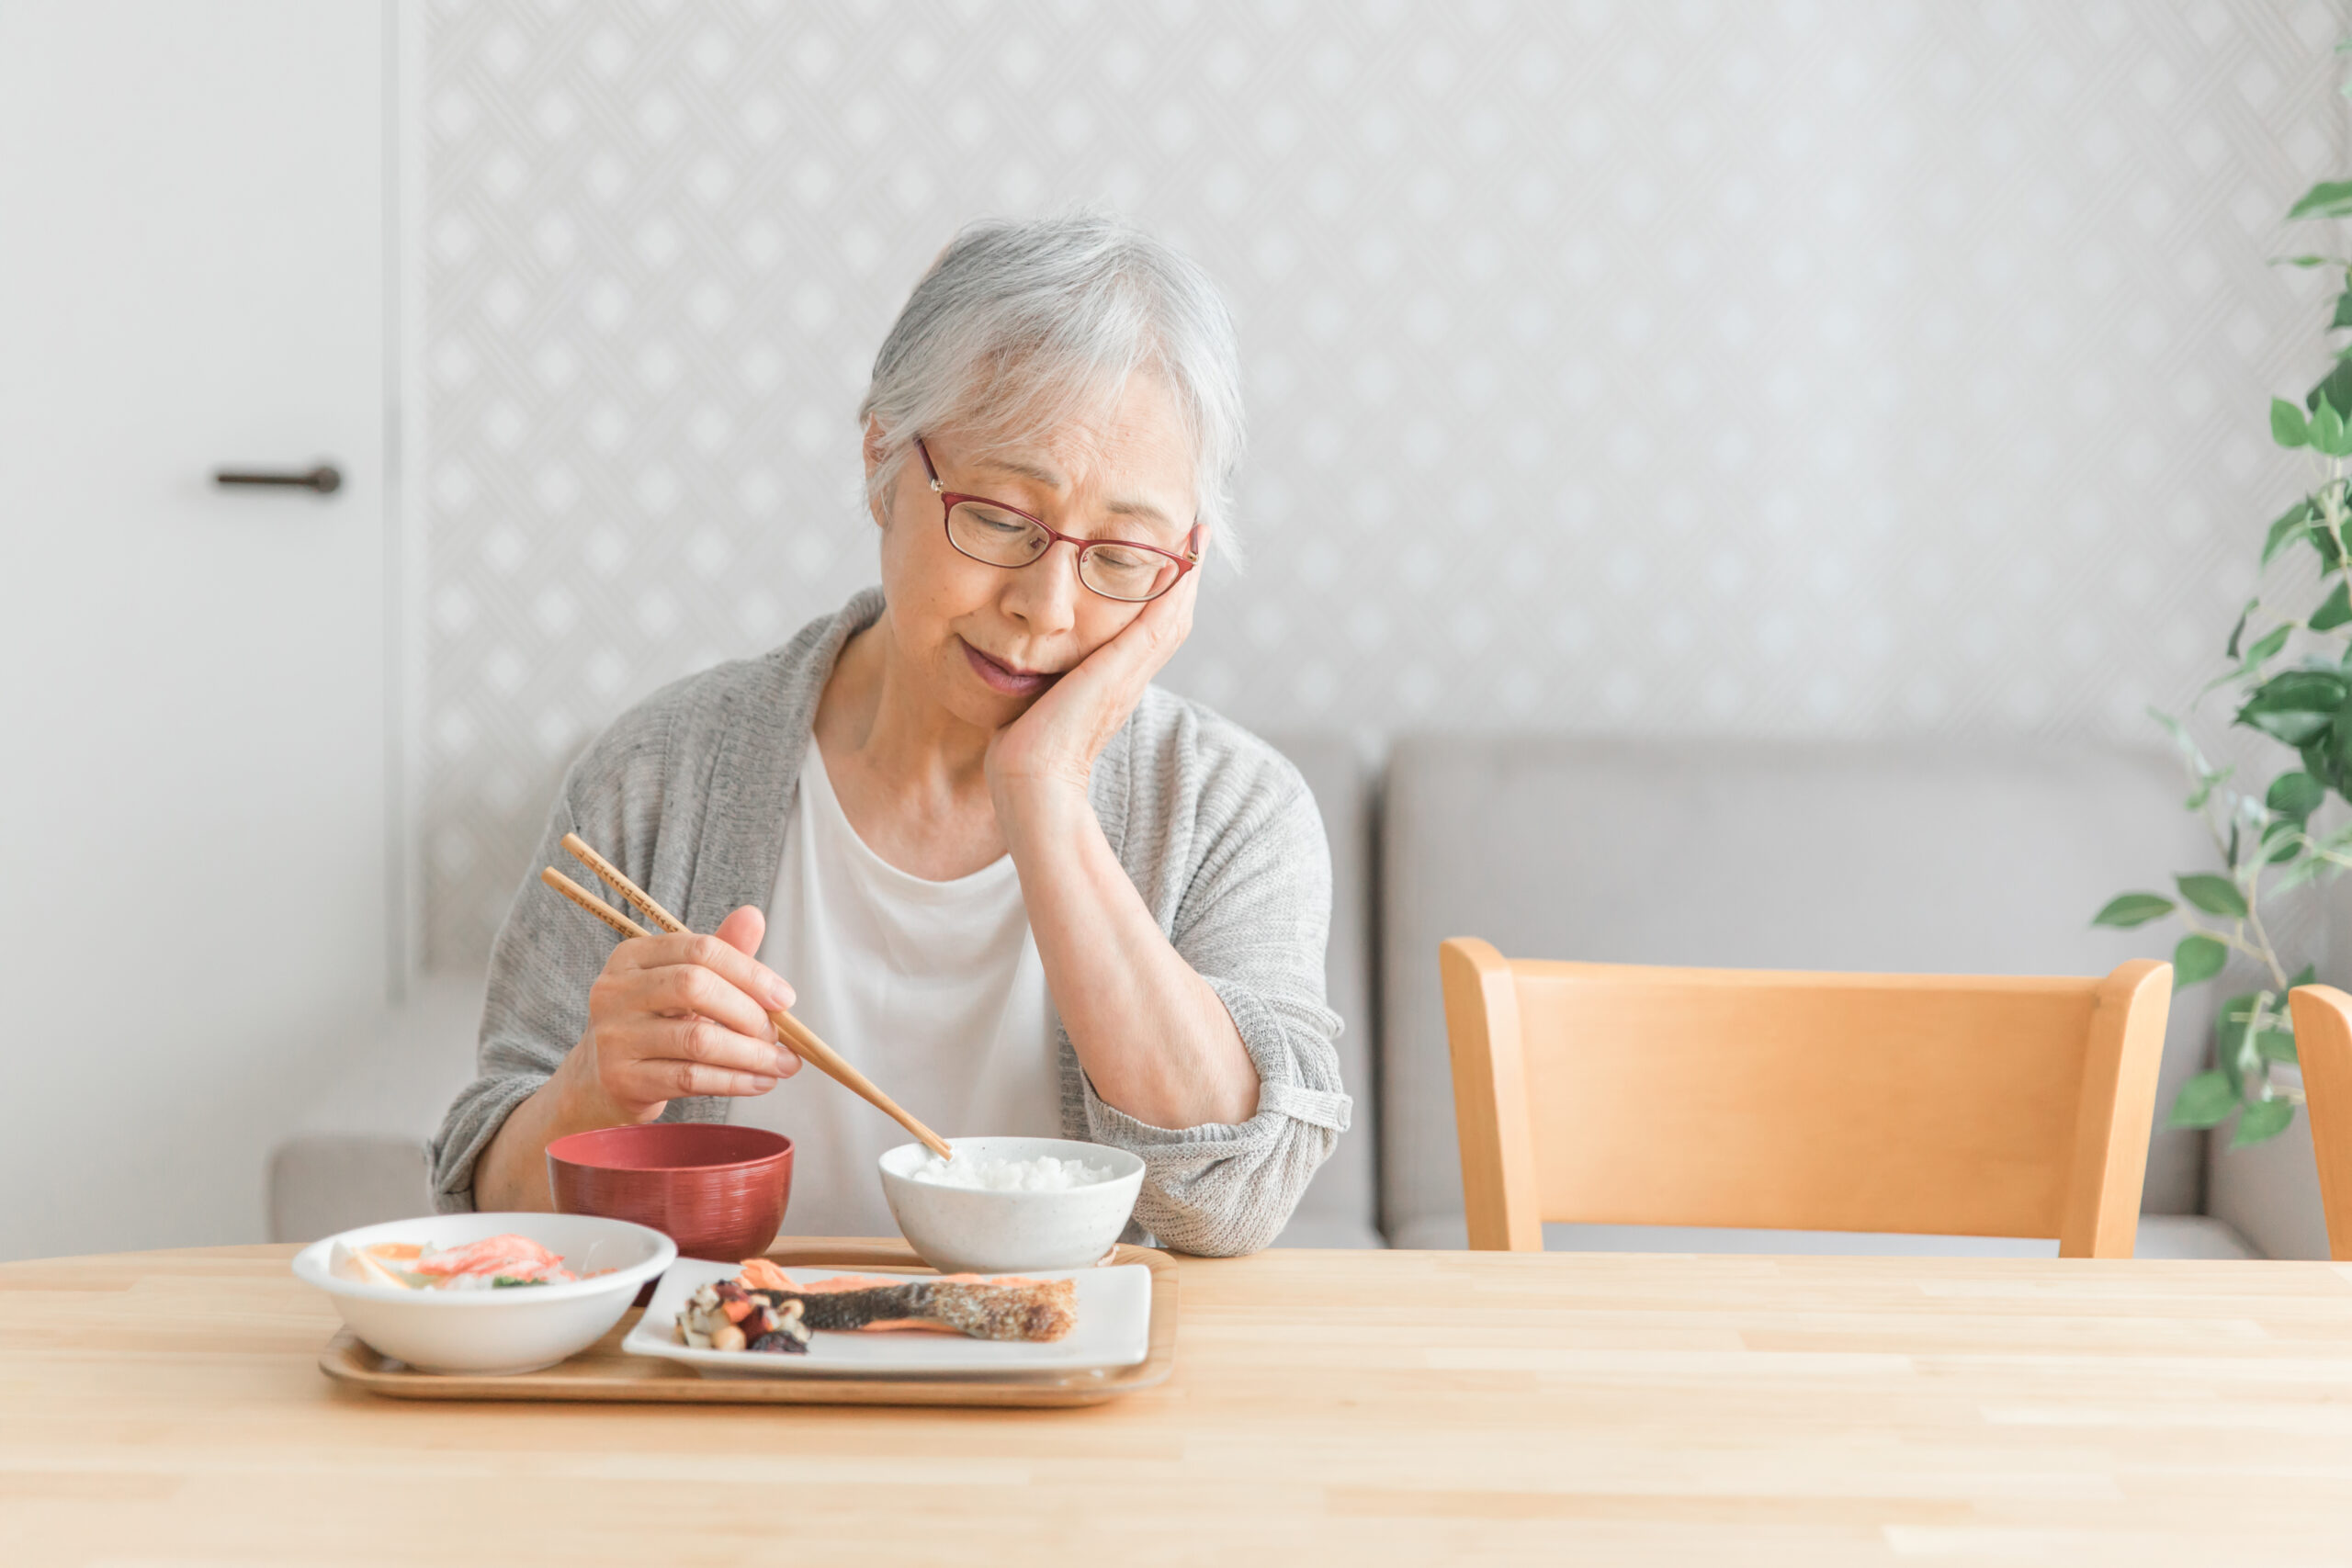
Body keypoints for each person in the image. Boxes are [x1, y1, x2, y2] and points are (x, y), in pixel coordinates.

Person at [427, 212, 1350, 1256]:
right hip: (731, 1394)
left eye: (1123, 556)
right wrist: (594, 1087)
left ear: (1183, 564)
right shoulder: (660, 774)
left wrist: (1044, 788)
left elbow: (1227, 1206)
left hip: (1076, 1405)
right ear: (880, 458)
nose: (1045, 608)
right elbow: (481, 1214)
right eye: (1001, 517)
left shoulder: (1233, 810)